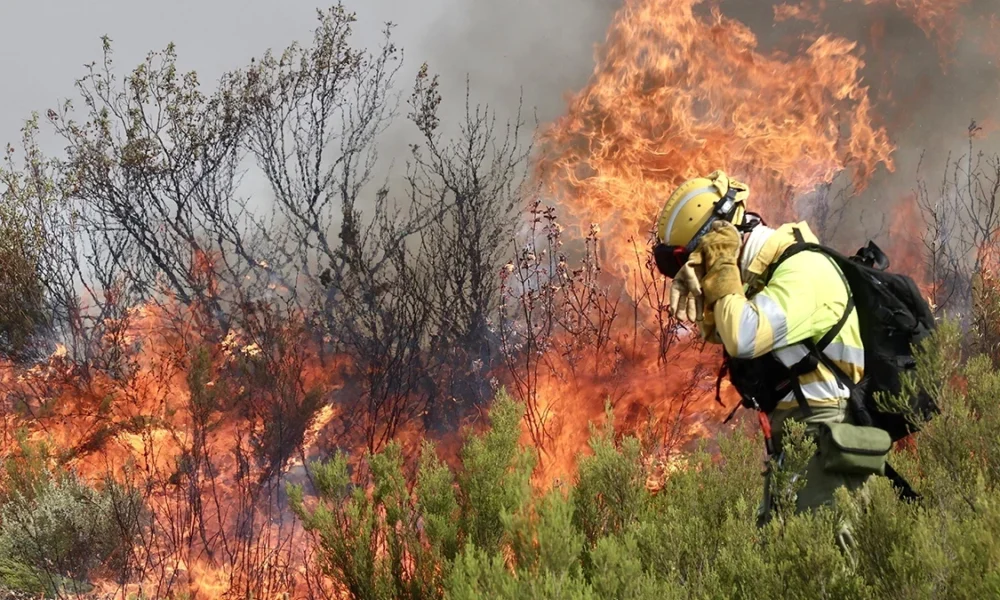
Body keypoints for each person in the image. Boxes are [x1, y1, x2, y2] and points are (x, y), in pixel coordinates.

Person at [652, 170, 873, 531]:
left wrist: (721, 264)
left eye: (695, 257)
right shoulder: (763, 280)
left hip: (826, 432)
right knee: (781, 561)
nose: (696, 270)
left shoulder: (804, 268)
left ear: (722, 239)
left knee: (822, 570)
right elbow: (724, 331)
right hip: (797, 437)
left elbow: (743, 335)